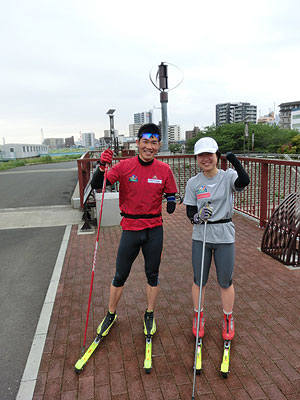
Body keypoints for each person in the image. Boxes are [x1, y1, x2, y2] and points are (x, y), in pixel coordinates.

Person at [91, 123, 178, 338]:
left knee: (152, 274)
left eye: (154, 143)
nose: (149, 146)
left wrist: (171, 200)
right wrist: (102, 165)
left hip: (154, 229)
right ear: (138, 143)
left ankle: (149, 313)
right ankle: (111, 314)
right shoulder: (124, 167)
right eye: (145, 142)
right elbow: (97, 184)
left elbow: (171, 192)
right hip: (130, 228)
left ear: (158, 146)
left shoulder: (164, 169)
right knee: (120, 274)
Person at [183, 137, 249, 341]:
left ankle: (228, 317)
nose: (206, 159)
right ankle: (198, 316)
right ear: (196, 158)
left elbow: (243, 182)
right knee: (199, 280)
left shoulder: (228, 176)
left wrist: (235, 161)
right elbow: (190, 212)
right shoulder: (193, 183)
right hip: (202, 235)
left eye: (209, 154)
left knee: (225, 281)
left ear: (217, 156)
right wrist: (197, 217)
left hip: (224, 235)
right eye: (201, 155)